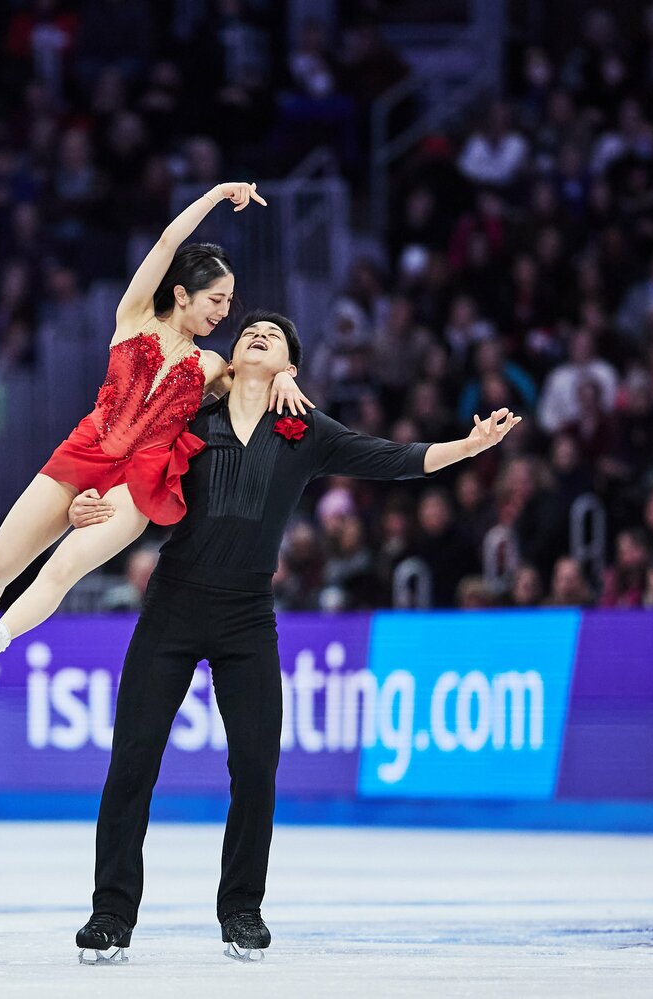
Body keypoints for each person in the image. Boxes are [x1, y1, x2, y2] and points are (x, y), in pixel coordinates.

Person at [72, 311, 521, 964]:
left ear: (291, 366)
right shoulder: (191, 413)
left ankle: (242, 910)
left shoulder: (303, 430)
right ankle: (111, 912)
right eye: (247, 329)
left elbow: (391, 458)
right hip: (171, 608)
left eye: (272, 334)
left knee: (255, 767)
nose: (255, 332)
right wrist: (85, 501)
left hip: (246, 618)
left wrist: (468, 446)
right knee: (132, 763)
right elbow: (123, 460)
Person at [0, 183, 310, 694]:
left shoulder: (211, 366)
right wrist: (214, 196)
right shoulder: (132, 317)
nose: (225, 312)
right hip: (86, 450)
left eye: (229, 302)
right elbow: (163, 245)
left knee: (62, 569)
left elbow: (259, 378)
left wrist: (286, 374)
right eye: (217, 299)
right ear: (182, 293)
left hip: (140, 477)